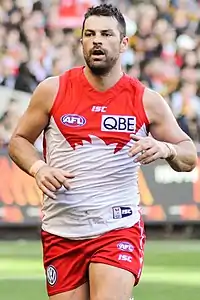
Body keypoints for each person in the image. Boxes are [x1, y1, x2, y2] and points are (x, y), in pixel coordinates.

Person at [8, 4, 197, 300]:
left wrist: (165, 148)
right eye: (90, 34)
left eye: (106, 34)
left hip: (117, 227)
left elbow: (189, 156)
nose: (97, 40)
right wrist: (39, 168)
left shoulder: (146, 100)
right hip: (62, 230)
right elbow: (18, 140)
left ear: (123, 44)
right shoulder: (52, 90)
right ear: (81, 41)